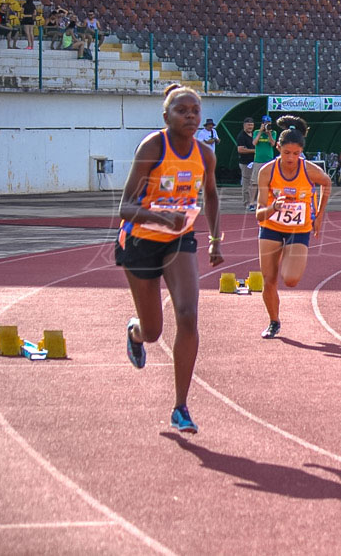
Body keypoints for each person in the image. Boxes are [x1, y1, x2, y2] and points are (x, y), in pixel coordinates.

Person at [116, 84, 223, 435]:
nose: (191, 115)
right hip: (141, 240)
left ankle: (180, 406)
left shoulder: (205, 154)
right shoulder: (153, 147)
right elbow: (125, 207)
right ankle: (134, 332)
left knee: (189, 316)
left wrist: (214, 239)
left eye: (195, 109)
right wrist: (163, 218)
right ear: (167, 116)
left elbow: (211, 195)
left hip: (179, 240)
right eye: (182, 110)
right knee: (153, 331)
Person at [255, 116, 330, 338]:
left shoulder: (309, 170)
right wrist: (272, 208)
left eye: (296, 154)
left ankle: (289, 251)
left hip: (299, 229)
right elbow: (259, 212)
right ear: (278, 147)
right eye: (286, 153)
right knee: (269, 280)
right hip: (271, 227)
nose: (291, 158)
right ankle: (273, 321)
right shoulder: (267, 172)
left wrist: (319, 216)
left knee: (290, 279)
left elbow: (327, 183)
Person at [252, 115, 278, 204]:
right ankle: (252, 202)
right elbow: (254, 143)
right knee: (255, 182)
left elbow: (272, 144)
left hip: (269, 160)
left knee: (270, 181)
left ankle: (269, 200)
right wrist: (260, 132)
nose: (267, 125)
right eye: (265, 123)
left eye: (268, 123)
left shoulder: (273, 132)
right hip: (258, 160)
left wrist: (269, 133)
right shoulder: (256, 132)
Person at [235, 117, 256, 211]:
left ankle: (253, 202)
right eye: (248, 125)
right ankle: (247, 203)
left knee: (254, 183)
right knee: (247, 183)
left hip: (255, 162)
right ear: (244, 125)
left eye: (251, 125)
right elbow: (240, 149)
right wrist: (254, 151)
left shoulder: (255, 135)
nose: (250, 127)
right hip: (245, 163)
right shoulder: (241, 136)